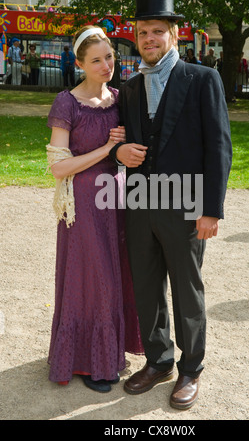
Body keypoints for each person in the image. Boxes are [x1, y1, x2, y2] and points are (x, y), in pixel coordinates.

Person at [109, 0, 232, 410]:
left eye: (157, 32)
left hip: (186, 205)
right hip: (141, 203)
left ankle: (191, 368)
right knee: (146, 286)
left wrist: (211, 209)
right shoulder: (128, 89)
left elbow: (218, 146)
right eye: (143, 33)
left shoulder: (203, 79)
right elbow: (119, 142)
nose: (149, 40)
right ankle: (159, 360)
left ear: (174, 34)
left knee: (186, 289)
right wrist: (116, 151)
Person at [46, 25, 143, 392]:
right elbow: (58, 168)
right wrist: (106, 149)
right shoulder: (66, 103)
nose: (107, 65)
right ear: (80, 63)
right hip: (83, 204)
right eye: (97, 60)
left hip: (116, 200)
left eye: (110, 57)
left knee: (116, 273)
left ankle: (109, 352)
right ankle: (90, 362)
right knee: (93, 278)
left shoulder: (120, 98)